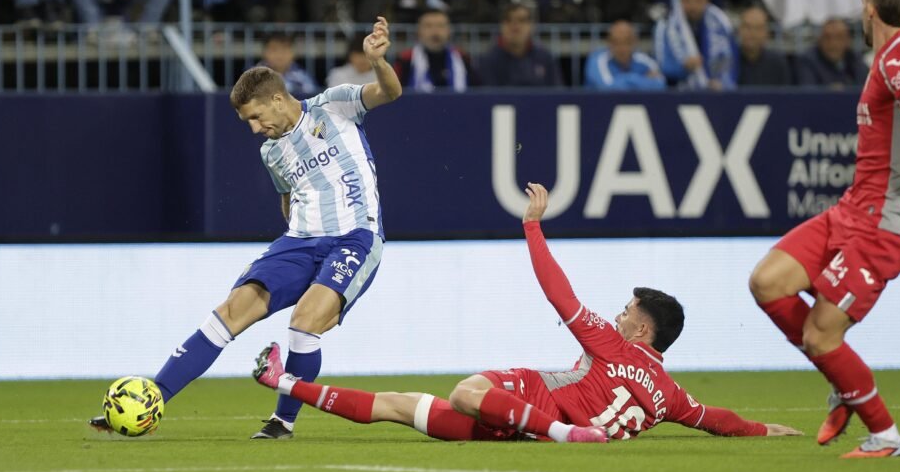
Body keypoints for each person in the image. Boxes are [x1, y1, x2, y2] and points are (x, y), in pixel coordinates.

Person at [253, 183, 803, 443]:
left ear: (642, 328)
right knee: (399, 405)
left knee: (465, 390)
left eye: (626, 310)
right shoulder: (671, 395)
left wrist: (533, 227)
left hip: (536, 409)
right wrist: (773, 430)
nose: (617, 315)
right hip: (519, 429)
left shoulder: (614, 346)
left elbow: (559, 294)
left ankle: (563, 435)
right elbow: (721, 422)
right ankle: (281, 381)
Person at [90, 17, 401, 440]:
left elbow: (390, 91)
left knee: (304, 321)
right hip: (299, 241)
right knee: (232, 310)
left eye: (256, 117)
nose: (255, 129)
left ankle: (282, 421)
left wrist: (378, 62)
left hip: (354, 239)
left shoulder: (334, 105)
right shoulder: (272, 151)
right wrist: (293, 240)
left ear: (277, 98)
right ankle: (150, 401)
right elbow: (287, 196)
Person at [748, 0, 900, 458]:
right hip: (850, 212)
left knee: (821, 334)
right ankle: (844, 383)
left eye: (861, 2)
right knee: (767, 281)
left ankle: (885, 436)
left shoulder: (899, 59)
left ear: (870, 8)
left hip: (883, 226)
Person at [654, 0, 738, 90]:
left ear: (706, 1)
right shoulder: (666, 25)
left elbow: (732, 59)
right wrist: (683, 68)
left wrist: (723, 82)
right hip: (676, 93)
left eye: (698, 0)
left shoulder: (720, 23)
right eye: (687, 0)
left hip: (717, 92)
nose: (692, 5)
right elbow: (660, 67)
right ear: (680, 0)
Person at [475, 3, 564, 88]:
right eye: (509, 20)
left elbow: (557, 93)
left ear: (531, 26)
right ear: (501, 26)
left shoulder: (545, 58)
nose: (515, 26)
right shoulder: (489, 60)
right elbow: (488, 98)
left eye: (521, 20)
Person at [393, 7, 470, 92]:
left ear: (449, 31)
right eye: (428, 26)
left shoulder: (462, 58)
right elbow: (392, 92)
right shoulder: (406, 60)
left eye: (441, 26)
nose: (435, 32)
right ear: (418, 31)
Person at [584, 20, 666, 91]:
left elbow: (660, 84)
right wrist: (636, 79)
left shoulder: (643, 60)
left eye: (626, 42)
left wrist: (620, 81)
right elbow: (605, 88)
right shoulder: (598, 60)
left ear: (634, 42)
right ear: (609, 43)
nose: (621, 48)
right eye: (616, 42)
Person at [794, 18, 869, 90]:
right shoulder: (807, 61)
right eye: (827, 37)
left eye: (839, 37)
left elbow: (866, 89)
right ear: (819, 40)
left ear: (848, 40)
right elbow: (808, 93)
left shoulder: (855, 59)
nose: (833, 44)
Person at [736, 6, 792, 88]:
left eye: (758, 28)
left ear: (766, 33)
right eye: (747, 26)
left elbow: (787, 97)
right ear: (739, 30)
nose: (752, 33)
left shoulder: (778, 63)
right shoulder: (729, 62)